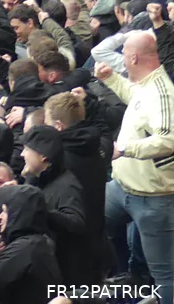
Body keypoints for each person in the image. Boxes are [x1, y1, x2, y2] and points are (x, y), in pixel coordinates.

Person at [98, 30, 174, 301]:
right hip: (121, 188)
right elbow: (137, 99)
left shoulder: (164, 93)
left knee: (165, 274)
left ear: (132, 57)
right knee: (94, 224)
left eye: (123, 56)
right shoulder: (146, 83)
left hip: (154, 200)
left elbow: (169, 139)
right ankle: (132, 276)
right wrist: (111, 79)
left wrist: (125, 149)